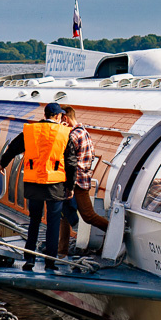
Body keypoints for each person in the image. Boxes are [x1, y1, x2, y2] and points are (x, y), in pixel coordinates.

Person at [0, 102, 77, 271]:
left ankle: (30, 260)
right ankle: (50, 262)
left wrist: (2, 163)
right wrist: (70, 187)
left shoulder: (30, 131)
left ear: (45, 115)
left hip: (33, 183)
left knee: (34, 221)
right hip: (55, 185)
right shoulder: (64, 133)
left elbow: (13, 148)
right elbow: (71, 163)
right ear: (57, 117)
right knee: (53, 223)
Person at [56, 105, 109, 256]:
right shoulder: (84, 132)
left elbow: (67, 160)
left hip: (75, 181)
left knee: (87, 215)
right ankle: (62, 250)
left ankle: (115, 233)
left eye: (60, 119)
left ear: (65, 118)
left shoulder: (72, 136)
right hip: (82, 179)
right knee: (64, 215)